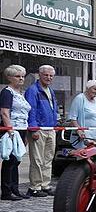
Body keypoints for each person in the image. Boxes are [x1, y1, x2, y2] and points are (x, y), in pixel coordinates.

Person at [24, 65, 57, 197]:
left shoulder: (50, 90)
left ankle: (45, 185)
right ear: (39, 75)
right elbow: (31, 110)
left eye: (51, 76)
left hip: (50, 128)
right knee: (37, 159)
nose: (48, 78)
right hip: (39, 129)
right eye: (46, 75)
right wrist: (33, 129)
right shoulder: (33, 90)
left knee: (48, 158)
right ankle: (35, 186)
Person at [0, 65, 31, 201]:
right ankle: (6, 191)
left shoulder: (20, 93)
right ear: (9, 78)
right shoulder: (7, 92)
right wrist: (10, 130)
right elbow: (4, 112)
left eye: (22, 76)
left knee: (17, 160)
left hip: (22, 128)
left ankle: (15, 188)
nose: (21, 79)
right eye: (17, 76)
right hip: (13, 129)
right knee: (10, 160)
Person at [68, 80, 96, 150]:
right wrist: (79, 130)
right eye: (94, 89)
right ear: (88, 88)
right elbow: (73, 118)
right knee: (83, 158)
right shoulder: (80, 98)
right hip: (84, 137)